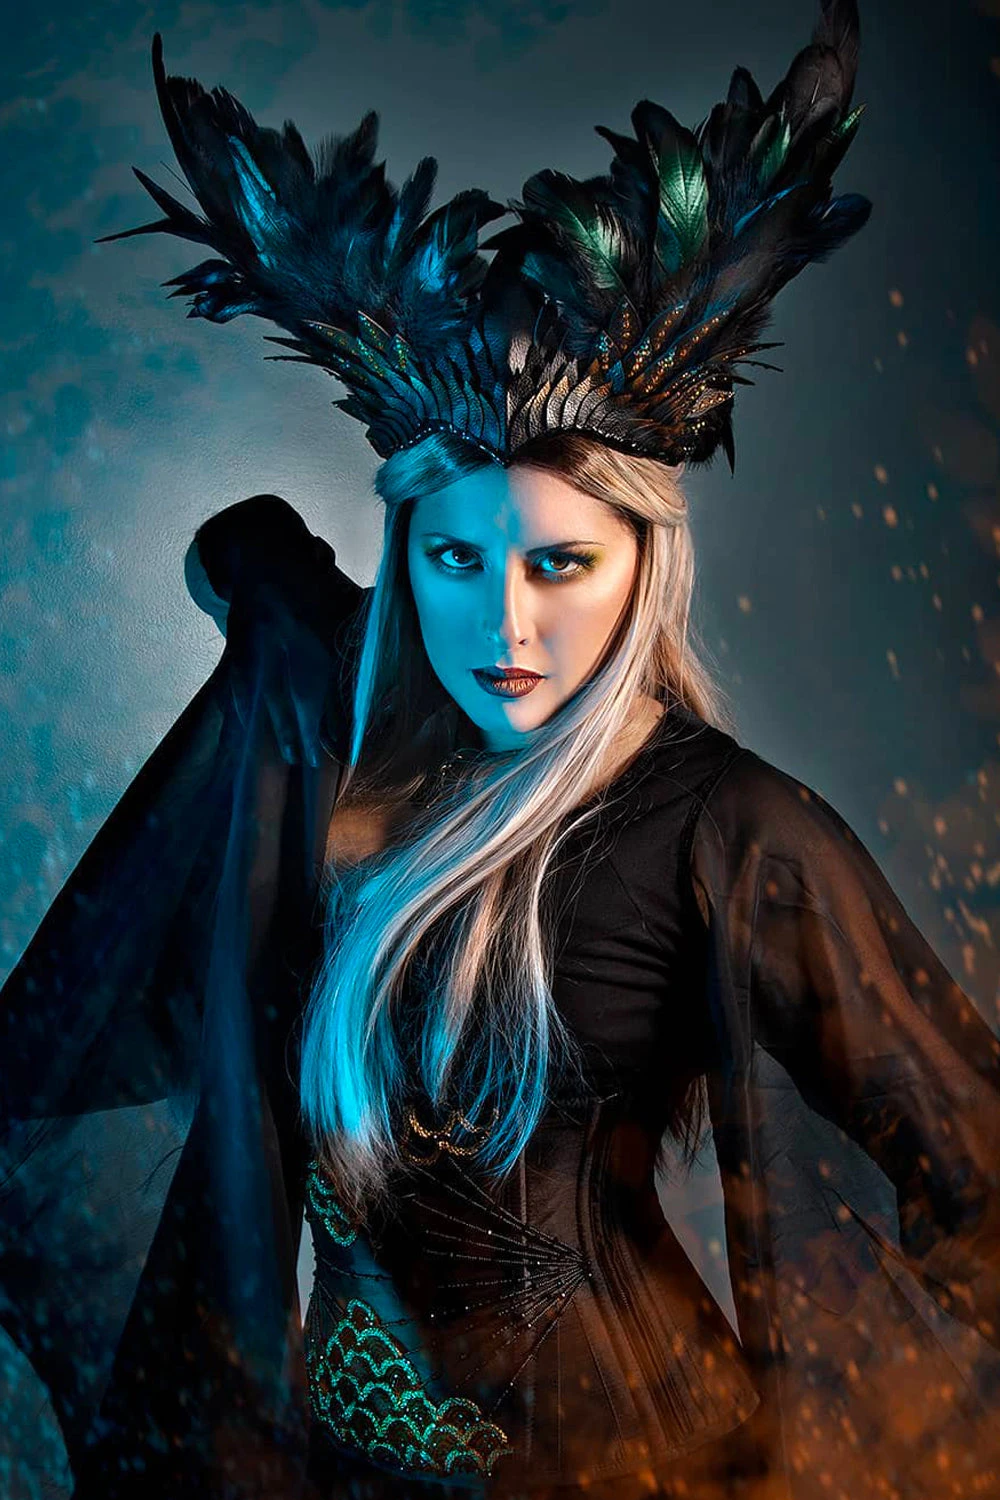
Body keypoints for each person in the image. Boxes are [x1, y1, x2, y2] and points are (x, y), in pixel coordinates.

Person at [2, 3, 999, 1498]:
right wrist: (286, 602)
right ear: (406, 560)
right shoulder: (355, 749)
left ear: (647, 565)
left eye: (560, 564)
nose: (506, 626)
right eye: (457, 560)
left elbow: (970, 1160)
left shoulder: (731, 828)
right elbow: (243, 546)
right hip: (343, 1466)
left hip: (633, 1469)